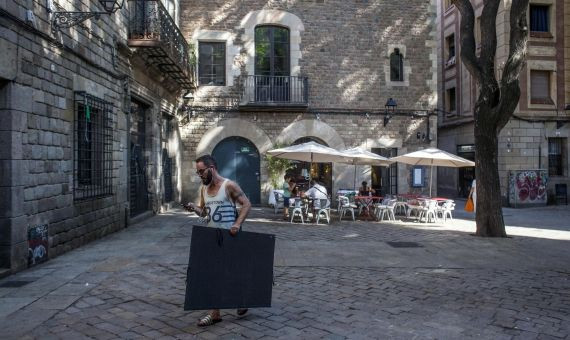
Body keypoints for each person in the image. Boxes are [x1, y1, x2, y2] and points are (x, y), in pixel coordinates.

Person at [184, 154, 252, 327]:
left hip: (230, 237)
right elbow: (205, 213)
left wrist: (237, 224)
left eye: (201, 171)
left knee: (231, 272)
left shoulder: (229, 185)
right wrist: (194, 208)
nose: (200, 175)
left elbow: (246, 204)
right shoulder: (203, 189)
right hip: (212, 238)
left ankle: (241, 301)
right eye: (198, 172)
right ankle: (215, 313)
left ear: (211, 168)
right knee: (213, 274)